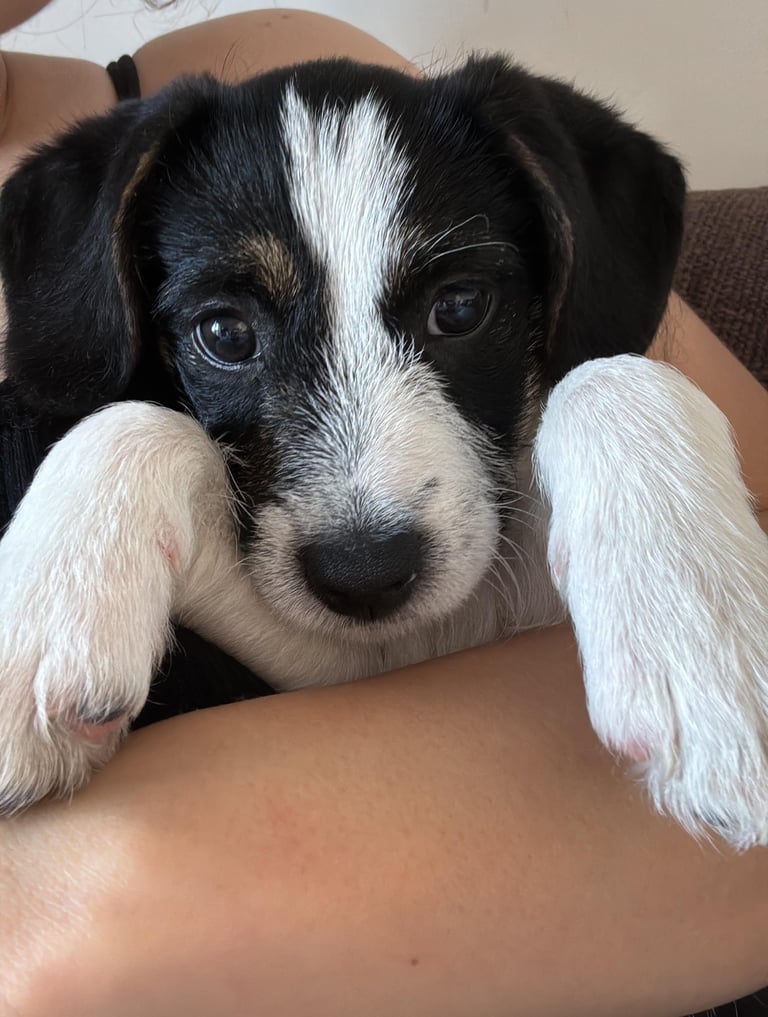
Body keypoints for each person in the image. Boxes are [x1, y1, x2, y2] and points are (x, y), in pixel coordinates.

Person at [1, 5, 767, 1016]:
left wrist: (628, 402)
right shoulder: (120, 219)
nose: (363, 503)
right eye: (228, 331)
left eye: (457, 310)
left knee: (623, 397)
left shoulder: (273, 74)